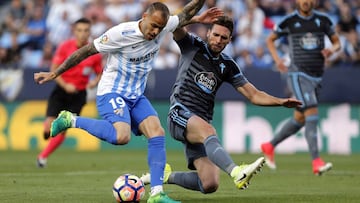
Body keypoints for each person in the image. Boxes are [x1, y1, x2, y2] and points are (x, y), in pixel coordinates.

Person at [34, 1, 220, 203]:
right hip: (112, 92)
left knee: (157, 133)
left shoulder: (163, 25)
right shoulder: (120, 34)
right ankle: (71, 120)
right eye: (153, 26)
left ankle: (157, 194)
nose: (156, 32)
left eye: (160, 28)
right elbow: (85, 51)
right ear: (144, 17)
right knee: (121, 137)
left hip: (136, 96)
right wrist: (56, 72)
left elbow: (184, 13)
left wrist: (197, 17)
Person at [141, 15, 302, 194]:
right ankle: (237, 172)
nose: (218, 40)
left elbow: (254, 95)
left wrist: (280, 102)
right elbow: (174, 23)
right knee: (209, 132)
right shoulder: (192, 45)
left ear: (229, 40)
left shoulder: (228, 65)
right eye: (215, 35)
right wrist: (196, 16)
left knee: (209, 183)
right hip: (179, 113)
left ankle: (165, 176)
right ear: (208, 33)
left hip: (200, 123)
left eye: (223, 37)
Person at [261, 0, 341, 175]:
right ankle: (316, 161)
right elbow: (270, 40)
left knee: (300, 119)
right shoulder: (288, 21)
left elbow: (337, 43)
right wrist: (277, 59)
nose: (305, 1)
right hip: (298, 74)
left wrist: (331, 50)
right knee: (311, 111)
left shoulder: (323, 20)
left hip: (317, 76)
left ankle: (269, 145)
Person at [37, 17, 102, 168]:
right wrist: (65, 85)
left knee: (63, 128)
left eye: (86, 30)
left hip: (78, 95)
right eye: (79, 30)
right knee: (49, 126)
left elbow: (100, 72)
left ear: (89, 32)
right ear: (74, 31)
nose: (83, 34)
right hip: (60, 91)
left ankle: (42, 157)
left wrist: (94, 82)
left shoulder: (94, 53)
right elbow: (54, 69)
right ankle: (47, 130)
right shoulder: (64, 47)